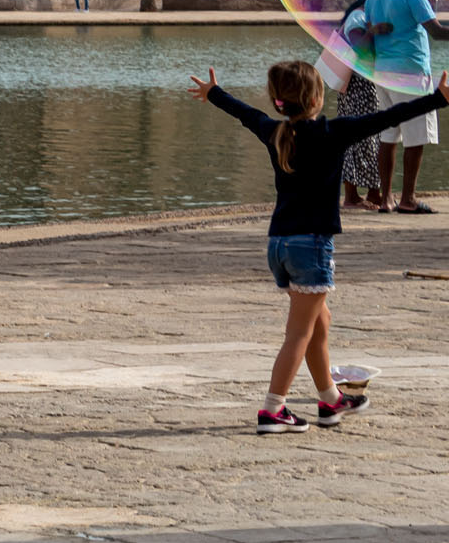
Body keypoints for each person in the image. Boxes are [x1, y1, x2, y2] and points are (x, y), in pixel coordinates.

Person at [186, 60, 449, 434]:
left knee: (318, 321)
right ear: (314, 98)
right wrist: (437, 99)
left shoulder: (274, 131)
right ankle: (272, 410)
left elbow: (245, 114)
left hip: (280, 245)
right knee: (299, 333)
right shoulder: (333, 132)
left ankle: (330, 399)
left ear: (279, 101)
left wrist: (214, 94)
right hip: (311, 246)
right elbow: (391, 115)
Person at [364, 0, 449, 213]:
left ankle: (386, 198)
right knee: (416, 136)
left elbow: (372, 29)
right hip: (411, 73)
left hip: (383, 73)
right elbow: (436, 32)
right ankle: (408, 199)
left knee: (388, 136)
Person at [334, 0, 387, 211]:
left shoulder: (365, 15)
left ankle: (358, 195)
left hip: (359, 85)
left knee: (361, 137)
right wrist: (373, 32)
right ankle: (366, 194)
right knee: (366, 137)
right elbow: (359, 48)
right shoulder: (359, 16)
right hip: (360, 86)